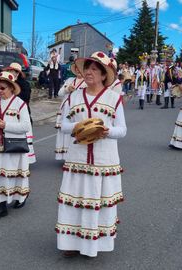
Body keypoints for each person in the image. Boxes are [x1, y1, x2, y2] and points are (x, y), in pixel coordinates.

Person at [56, 51, 127, 258]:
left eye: (95, 69)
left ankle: (95, 245)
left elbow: (122, 130)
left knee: (97, 201)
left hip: (104, 161)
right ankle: (71, 242)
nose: (89, 72)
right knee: (75, 200)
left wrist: (107, 131)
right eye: (87, 67)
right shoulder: (73, 96)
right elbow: (63, 125)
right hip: (77, 158)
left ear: (104, 75)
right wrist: (79, 127)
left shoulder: (114, 98)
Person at [0, 71, 31, 222]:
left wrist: (6, 125)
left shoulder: (20, 104)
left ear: (11, 88)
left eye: (3, 88)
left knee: (12, 174)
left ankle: (20, 196)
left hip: (13, 146)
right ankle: (0, 206)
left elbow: (25, 126)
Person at [0, 63, 36, 164]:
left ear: (18, 73)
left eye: (15, 71)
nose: (13, 73)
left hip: (18, 113)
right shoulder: (2, 83)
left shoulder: (24, 84)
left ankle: (23, 160)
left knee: (19, 140)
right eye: (11, 70)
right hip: (2, 112)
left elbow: (25, 98)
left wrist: (12, 96)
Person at [55, 64, 86, 160]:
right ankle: (64, 156)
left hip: (78, 109)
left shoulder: (86, 82)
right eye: (76, 69)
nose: (78, 70)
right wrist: (67, 89)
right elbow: (59, 93)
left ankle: (74, 155)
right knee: (65, 131)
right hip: (66, 109)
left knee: (75, 130)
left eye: (80, 69)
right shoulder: (69, 80)